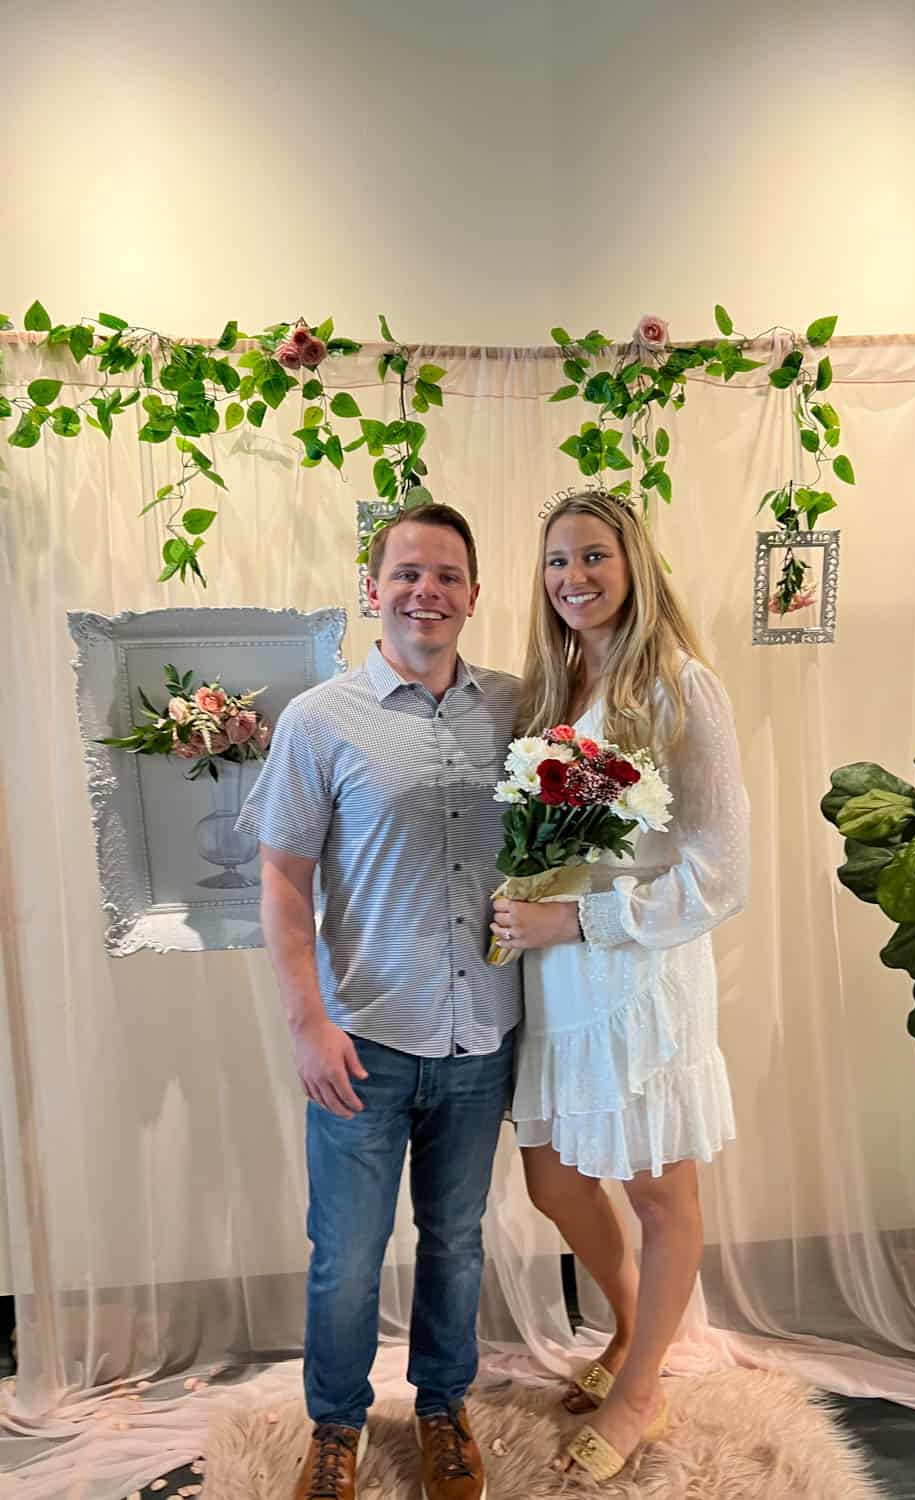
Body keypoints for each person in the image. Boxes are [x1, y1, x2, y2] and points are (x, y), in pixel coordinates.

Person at [237, 503, 521, 1500]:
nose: (426, 591)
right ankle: (336, 1426)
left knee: (457, 1240)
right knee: (347, 1254)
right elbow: (281, 877)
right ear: (373, 589)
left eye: (447, 574)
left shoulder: (519, 712)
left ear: (475, 595)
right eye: (407, 573)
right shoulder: (320, 720)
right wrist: (307, 1023)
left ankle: (444, 1409)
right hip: (365, 1040)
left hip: (482, 1037)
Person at [491, 489, 749, 1485]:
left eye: (593, 556)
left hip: (641, 972)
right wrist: (526, 904)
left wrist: (584, 917)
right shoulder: (553, 689)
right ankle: (641, 1325)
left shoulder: (684, 686)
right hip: (562, 981)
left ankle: (642, 1387)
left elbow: (722, 871)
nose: (574, 578)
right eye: (557, 561)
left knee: (656, 1185)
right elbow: (554, 837)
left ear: (634, 565)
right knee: (553, 1177)